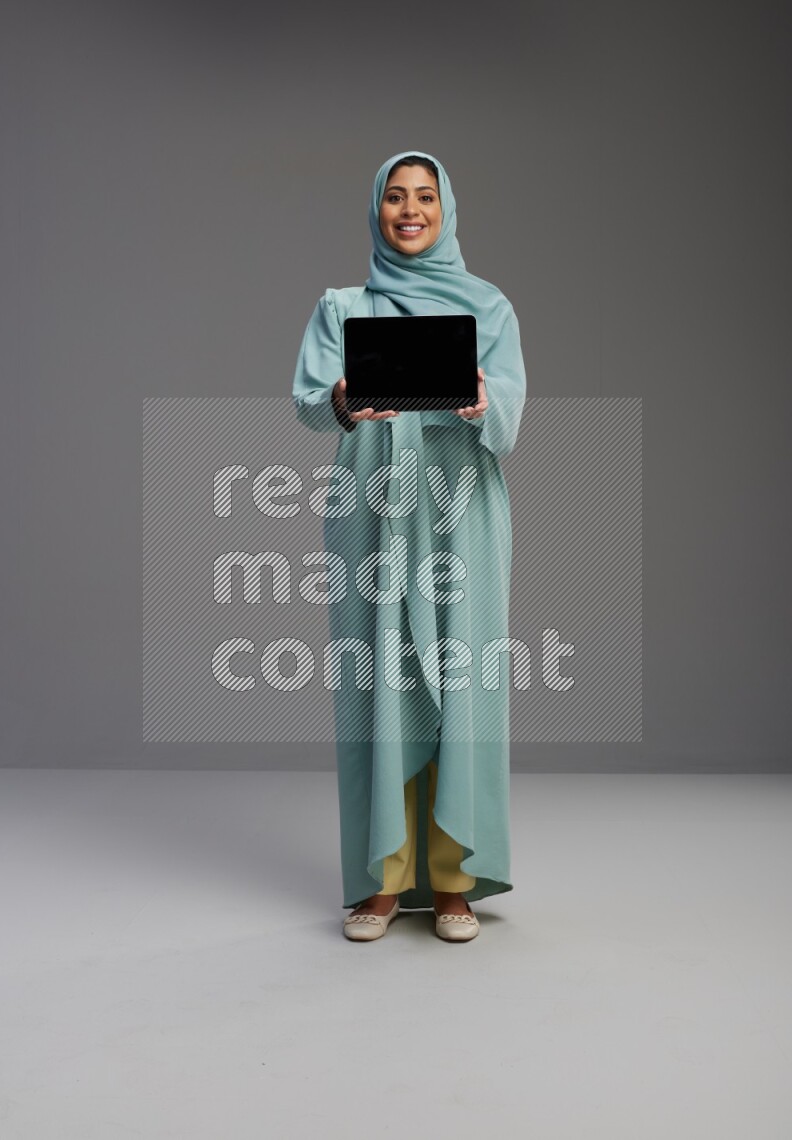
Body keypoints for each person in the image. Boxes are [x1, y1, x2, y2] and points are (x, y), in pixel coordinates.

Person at [292, 150, 527, 942]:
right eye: (395, 197)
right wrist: (342, 398)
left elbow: (510, 426)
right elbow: (307, 407)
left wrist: (478, 402)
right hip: (371, 511)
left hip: (461, 513)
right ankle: (384, 881)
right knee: (379, 690)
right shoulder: (342, 304)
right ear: (377, 210)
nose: (410, 209)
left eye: (425, 196)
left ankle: (453, 882)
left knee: (461, 688)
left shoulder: (487, 307)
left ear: (446, 208)